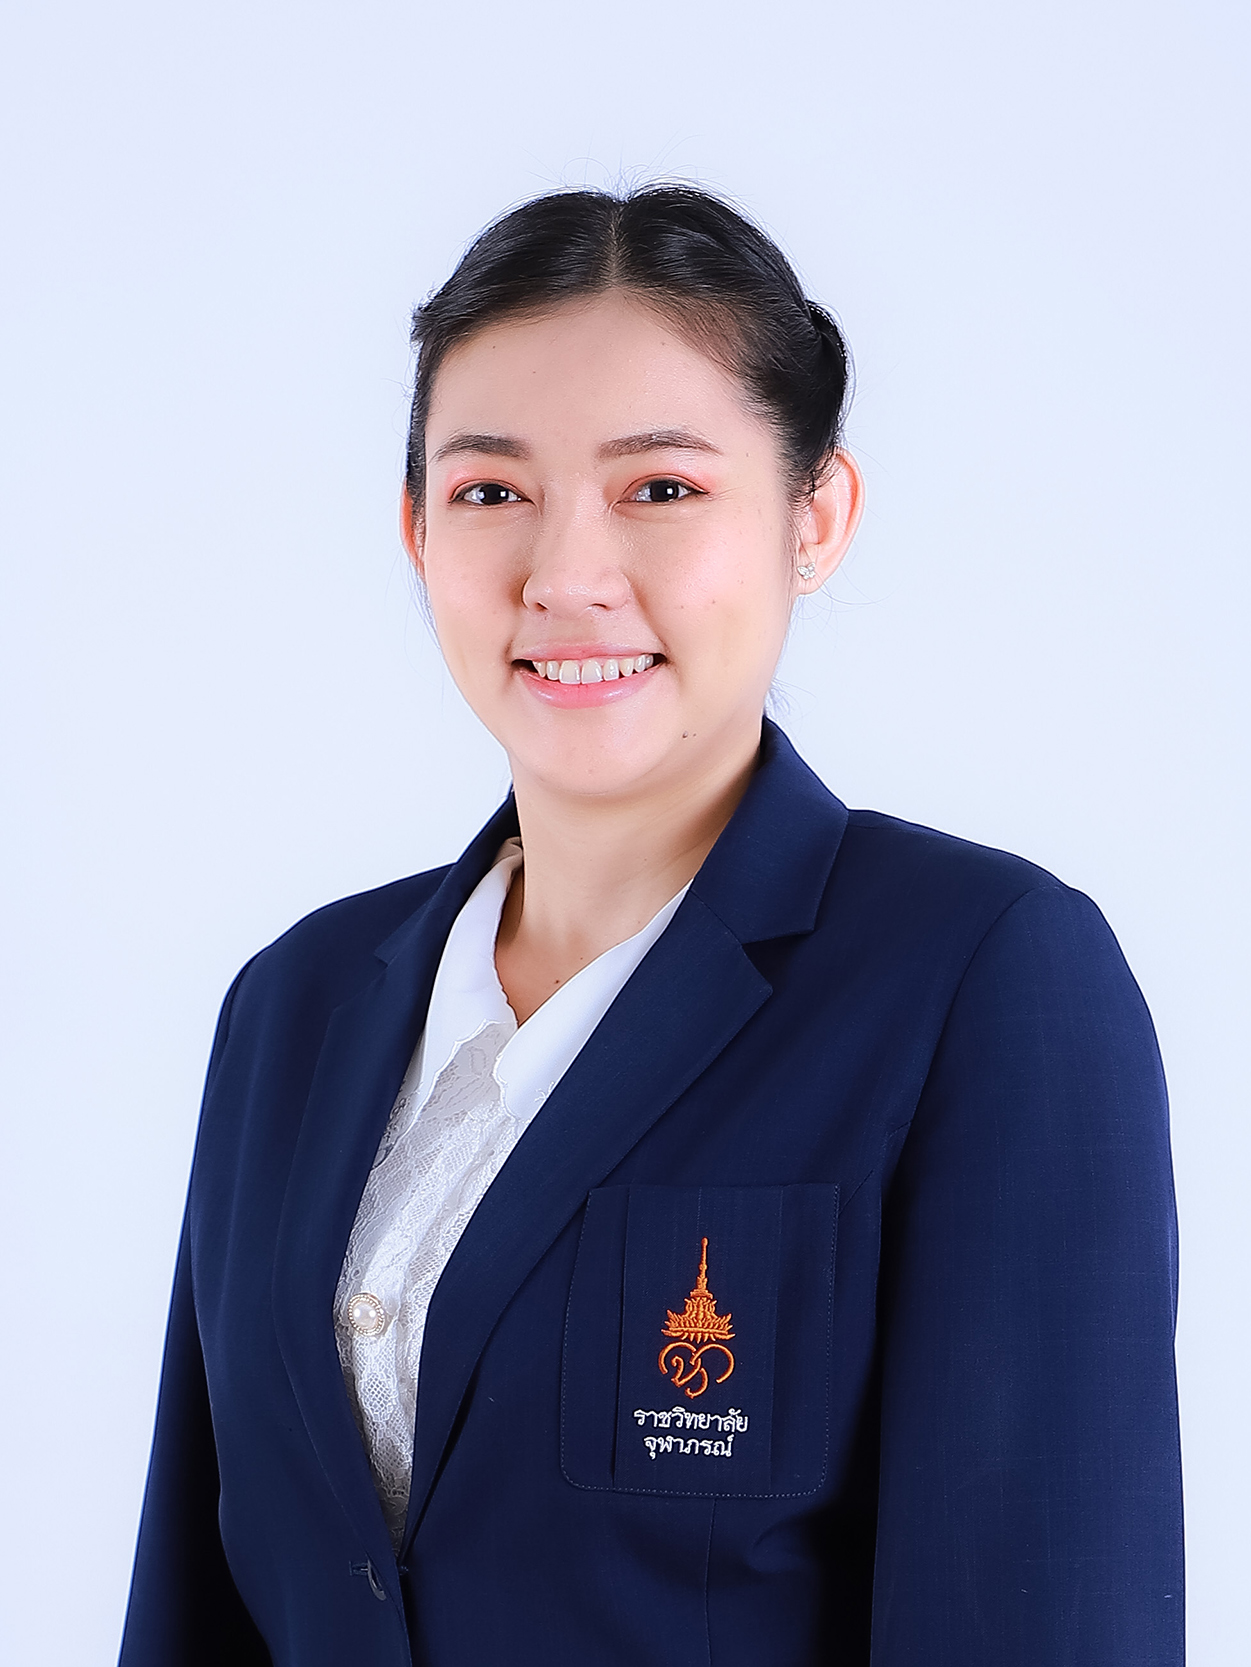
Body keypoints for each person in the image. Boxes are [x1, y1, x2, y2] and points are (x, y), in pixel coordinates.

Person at [119, 187, 1183, 1667]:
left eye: (661, 488)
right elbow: (196, 1606)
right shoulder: (293, 1005)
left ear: (815, 519)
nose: (564, 576)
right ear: (417, 529)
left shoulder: (979, 978)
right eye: (491, 493)